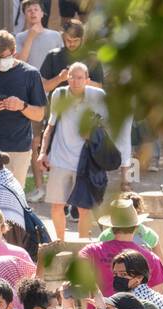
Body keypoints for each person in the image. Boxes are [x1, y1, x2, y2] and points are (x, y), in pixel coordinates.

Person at [38, 62, 108, 240]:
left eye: (79, 78)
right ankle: (61, 243)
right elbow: (50, 127)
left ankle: (83, 247)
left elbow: (107, 126)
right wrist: (42, 152)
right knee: (56, 206)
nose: (75, 81)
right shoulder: (59, 94)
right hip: (60, 159)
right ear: (67, 77)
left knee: (85, 208)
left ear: (87, 80)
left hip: (85, 161)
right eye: (72, 77)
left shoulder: (98, 96)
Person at [0, 31, 47, 188]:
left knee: (14, 201)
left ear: (14, 52)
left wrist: (22, 106)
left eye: (4, 57)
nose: (0, 61)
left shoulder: (30, 74)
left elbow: (40, 114)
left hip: (19, 148)